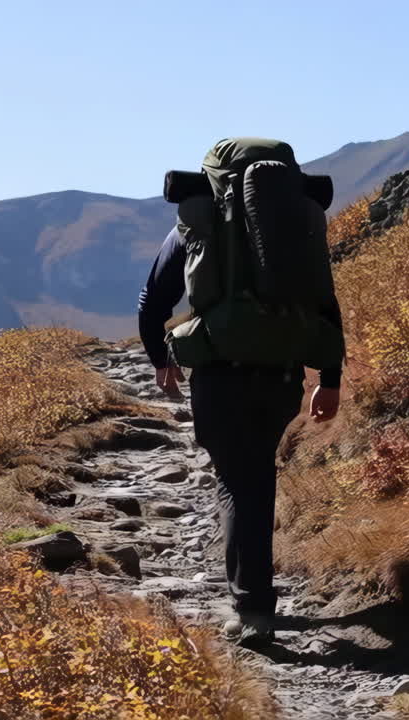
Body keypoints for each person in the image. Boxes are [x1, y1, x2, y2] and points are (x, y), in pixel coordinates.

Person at [137, 177, 344, 647]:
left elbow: (154, 302)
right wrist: (328, 379)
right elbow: (323, 302)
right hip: (282, 374)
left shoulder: (195, 224)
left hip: (218, 376)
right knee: (258, 476)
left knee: (236, 480)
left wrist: (159, 360)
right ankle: (255, 599)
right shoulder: (294, 225)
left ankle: (252, 610)